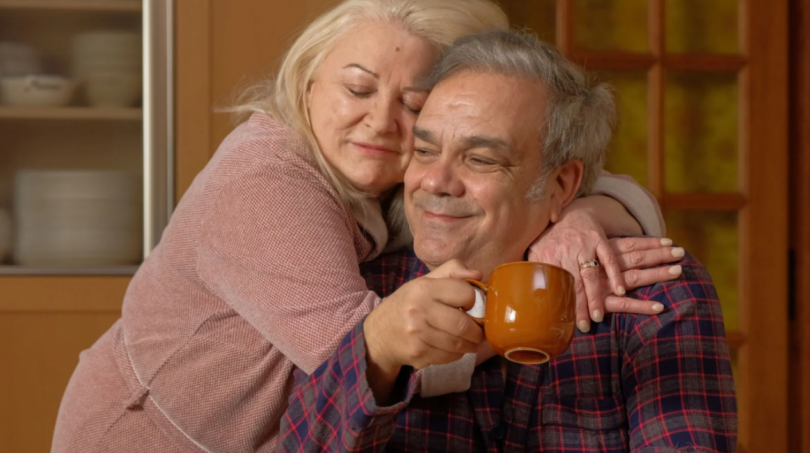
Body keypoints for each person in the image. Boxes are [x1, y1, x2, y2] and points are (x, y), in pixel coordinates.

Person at [51, 1, 673, 452]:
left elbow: (546, 178)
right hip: (146, 435)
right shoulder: (265, 179)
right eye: (357, 88)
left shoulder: (388, 181)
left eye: (412, 104)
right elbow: (368, 358)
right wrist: (541, 288)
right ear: (308, 80)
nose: (379, 122)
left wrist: (593, 212)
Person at [277, 29, 737, 452]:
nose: (435, 182)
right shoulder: (358, 288)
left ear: (560, 186)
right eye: (424, 151)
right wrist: (376, 354)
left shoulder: (655, 293)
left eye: (480, 159)